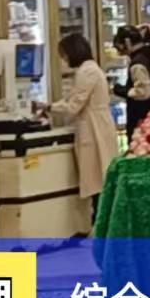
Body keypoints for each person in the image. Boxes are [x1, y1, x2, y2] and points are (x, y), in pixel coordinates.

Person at [47, 33, 118, 223]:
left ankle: (100, 223)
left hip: (95, 129)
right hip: (97, 126)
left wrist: (49, 108)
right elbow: (73, 98)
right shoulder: (89, 70)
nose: (63, 60)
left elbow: (74, 105)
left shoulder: (87, 72)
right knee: (99, 178)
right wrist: (51, 107)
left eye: (64, 55)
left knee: (97, 180)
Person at [114, 25, 150, 136]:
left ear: (127, 43)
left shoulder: (138, 64)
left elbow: (143, 93)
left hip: (143, 121)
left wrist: (122, 90)